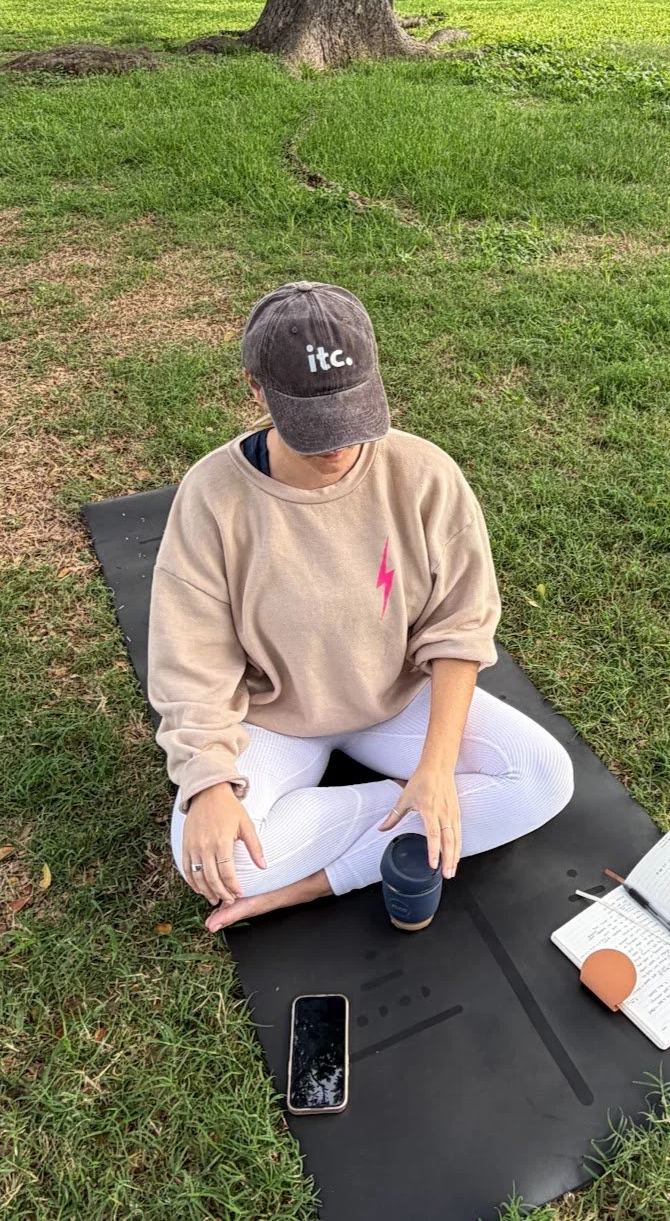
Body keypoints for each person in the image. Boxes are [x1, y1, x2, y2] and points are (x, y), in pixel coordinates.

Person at [148, 281, 575, 934]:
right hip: (275, 721)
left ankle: (319, 882)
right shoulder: (212, 497)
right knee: (205, 858)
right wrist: (208, 783)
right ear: (254, 389)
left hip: (396, 704)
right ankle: (409, 811)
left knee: (546, 777)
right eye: (312, 423)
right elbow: (190, 659)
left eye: (349, 414)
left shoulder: (424, 473)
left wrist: (435, 769)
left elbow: (460, 627)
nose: (336, 445)